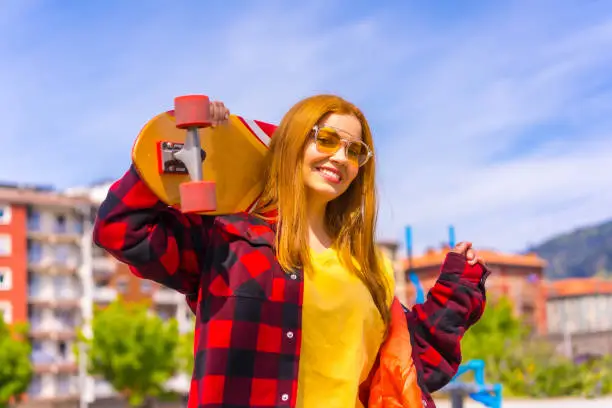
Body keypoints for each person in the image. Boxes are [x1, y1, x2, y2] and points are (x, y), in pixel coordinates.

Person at [93, 94, 489, 408]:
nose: (340, 158)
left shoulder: (371, 269)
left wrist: (458, 288)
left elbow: (408, 368)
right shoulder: (229, 240)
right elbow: (121, 229)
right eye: (327, 139)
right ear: (295, 142)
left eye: (355, 151)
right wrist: (193, 144)